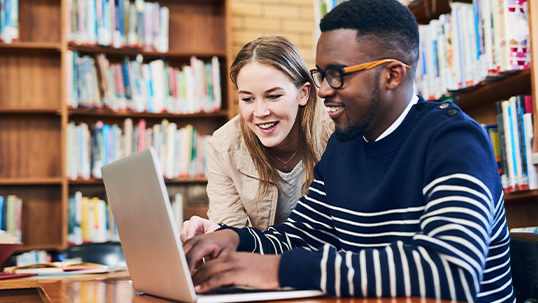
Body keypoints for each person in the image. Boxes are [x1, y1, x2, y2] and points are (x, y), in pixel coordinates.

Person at [183, 0, 515, 302]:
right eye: (321, 74)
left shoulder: (455, 141)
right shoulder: (343, 147)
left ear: (392, 75)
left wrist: (281, 270)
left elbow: (450, 271)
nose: (324, 91)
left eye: (337, 75)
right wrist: (233, 239)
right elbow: (297, 238)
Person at [180, 36, 333, 242]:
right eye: (248, 99)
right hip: (264, 264)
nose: (260, 112)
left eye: (273, 96)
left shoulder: (335, 131)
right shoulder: (224, 146)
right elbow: (231, 239)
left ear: (303, 94)